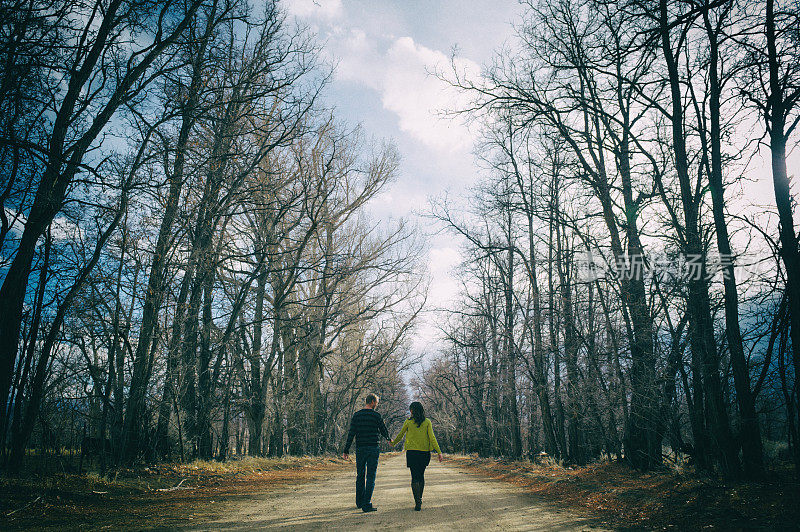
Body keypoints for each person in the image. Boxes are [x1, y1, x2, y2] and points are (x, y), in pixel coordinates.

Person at [390, 401, 442, 511]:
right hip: (424, 453)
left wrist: (393, 443)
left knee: (414, 476)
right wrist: (439, 452)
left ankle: (417, 501)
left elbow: (400, 434)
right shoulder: (427, 422)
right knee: (421, 475)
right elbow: (432, 437)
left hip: (412, 453)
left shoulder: (408, 422)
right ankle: (420, 498)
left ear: (412, 410)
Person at [343, 393, 390, 513]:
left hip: (360, 448)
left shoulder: (357, 415)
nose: (377, 405)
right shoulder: (376, 416)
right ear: (373, 402)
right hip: (373, 448)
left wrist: (346, 450)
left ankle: (359, 502)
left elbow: (351, 433)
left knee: (360, 475)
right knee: (371, 476)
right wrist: (389, 439)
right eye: (377, 402)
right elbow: (383, 430)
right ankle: (366, 503)